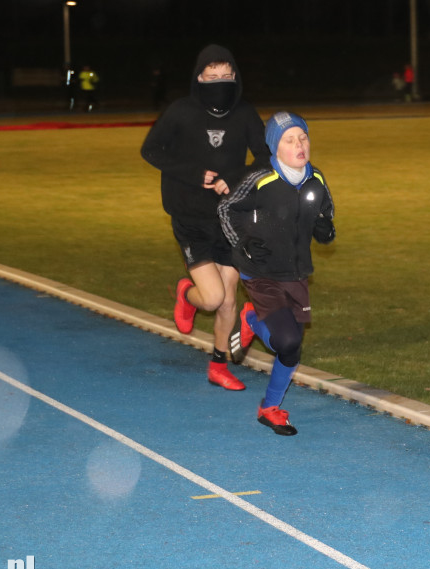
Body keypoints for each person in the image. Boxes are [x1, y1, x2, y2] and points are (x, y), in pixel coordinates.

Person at [140, 44, 270, 391]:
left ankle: (218, 365)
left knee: (228, 299)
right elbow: (150, 150)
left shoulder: (244, 113)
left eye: (226, 76)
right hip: (191, 218)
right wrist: (193, 174)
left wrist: (239, 178)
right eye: (212, 76)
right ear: (199, 78)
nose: (219, 81)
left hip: (230, 219)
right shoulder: (180, 111)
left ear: (235, 77)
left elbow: (265, 156)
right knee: (211, 298)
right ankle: (187, 295)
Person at [218, 112, 336, 436]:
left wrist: (326, 231)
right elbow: (226, 209)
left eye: (303, 137)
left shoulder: (317, 180)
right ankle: (253, 319)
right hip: (260, 272)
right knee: (287, 339)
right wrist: (243, 244)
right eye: (290, 139)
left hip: (296, 273)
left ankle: (269, 408)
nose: (299, 145)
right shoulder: (259, 178)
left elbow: (327, 221)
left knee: (291, 349)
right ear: (274, 147)